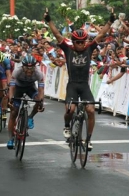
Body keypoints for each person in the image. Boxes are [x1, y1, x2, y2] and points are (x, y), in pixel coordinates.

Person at [45, 9, 114, 151]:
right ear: (74, 42)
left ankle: (88, 139)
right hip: (72, 85)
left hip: (84, 85)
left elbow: (101, 34)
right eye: (78, 42)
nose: (81, 45)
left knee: (90, 110)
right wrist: (49, 21)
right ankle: (66, 125)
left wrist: (110, 21)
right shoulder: (68, 49)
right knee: (70, 109)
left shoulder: (89, 48)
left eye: (83, 42)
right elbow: (57, 34)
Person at [6, 55, 45, 149]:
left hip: (30, 88)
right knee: (14, 112)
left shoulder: (38, 73)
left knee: (39, 100)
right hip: (18, 89)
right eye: (27, 68)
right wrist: (10, 99)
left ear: (34, 67)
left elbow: (41, 90)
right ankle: (10, 138)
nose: (29, 71)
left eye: (31, 69)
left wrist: (41, 102)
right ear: (23, 67)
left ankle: (30, 117)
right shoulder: (17, 71)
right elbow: (11, 87)